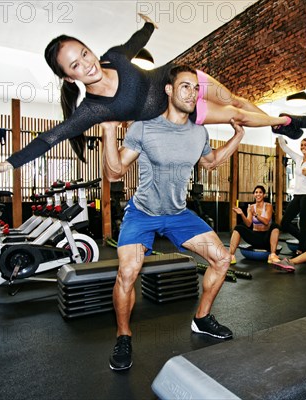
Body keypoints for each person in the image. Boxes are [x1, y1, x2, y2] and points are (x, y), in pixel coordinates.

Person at [0, 14, 306, 172]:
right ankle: (281, 120)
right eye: (74, 66)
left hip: (181, 77)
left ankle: (280, 122)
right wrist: (7, 163)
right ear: (69, 78)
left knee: (235, 99)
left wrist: (149, 25)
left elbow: (134, 43)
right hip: (178, 110)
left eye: (83, 53)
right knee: (235, 115)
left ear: (89, 50)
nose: (86, 64)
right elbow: (49, 139)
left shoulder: (113, 57)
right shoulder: (93, 110)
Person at [101, 65, 242, 371]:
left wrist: (237, 136)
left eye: (196, 88)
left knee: (222, 258)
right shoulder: (144, 126)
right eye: (185, 86)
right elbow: (114, 172)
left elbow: (212, 161)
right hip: (143, 213)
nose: (192, 93)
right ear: (169, 90)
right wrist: (109, 131)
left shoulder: (198, 131)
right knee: (128, 271)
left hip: (178, 213)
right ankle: (123, 335)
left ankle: (202, 319)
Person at [277, 136, 306, 255]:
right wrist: (279, 133)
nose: (303, 147)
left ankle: (302, 248)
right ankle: (305, 239)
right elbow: (284, 147)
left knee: (303, 223)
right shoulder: (298, 159)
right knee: (285, 222)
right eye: (302, 145)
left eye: (305, 145)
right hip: (298, 195)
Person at [230, 185, 281, 265]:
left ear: (264, 195)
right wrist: (242, 214)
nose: (258, 194)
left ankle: (272, 255)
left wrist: (256, 215)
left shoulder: (268, 206)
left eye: (260, 192)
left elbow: (266, 222)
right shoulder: (251, 207)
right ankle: (231, 256)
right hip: (255, 237)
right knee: (238, 227)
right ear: (254, 195)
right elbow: (248, 223)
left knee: (275, 226)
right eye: (256, 192)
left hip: (266, 238)